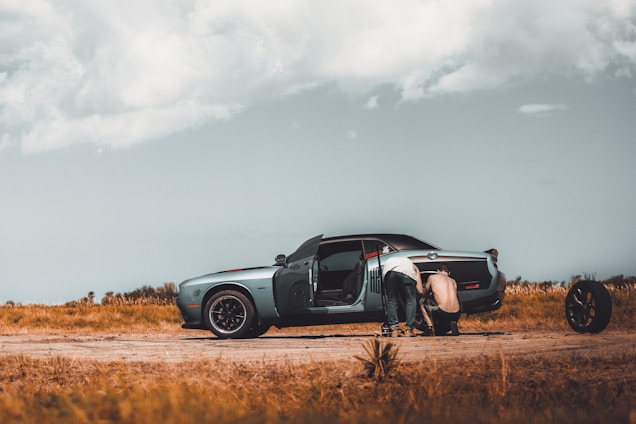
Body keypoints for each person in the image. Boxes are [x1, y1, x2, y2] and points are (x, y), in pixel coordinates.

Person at [382, 256, 422, 337]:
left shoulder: (391, 261)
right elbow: (420, 290)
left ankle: (394, 329)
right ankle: (409, 329)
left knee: (392, 300)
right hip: (406, 273)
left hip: (389, 271)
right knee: (410, 300)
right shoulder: (414, 267)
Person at [417, 263, 461, 336]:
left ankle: (430, 327)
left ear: (437, 271)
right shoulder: (453, 281)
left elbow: (425, 293)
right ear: (449, 273)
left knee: (421, 303)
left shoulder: (432, 277)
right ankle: (453, 321)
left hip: (442, 312)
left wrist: (429, 294)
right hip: (456, 313)